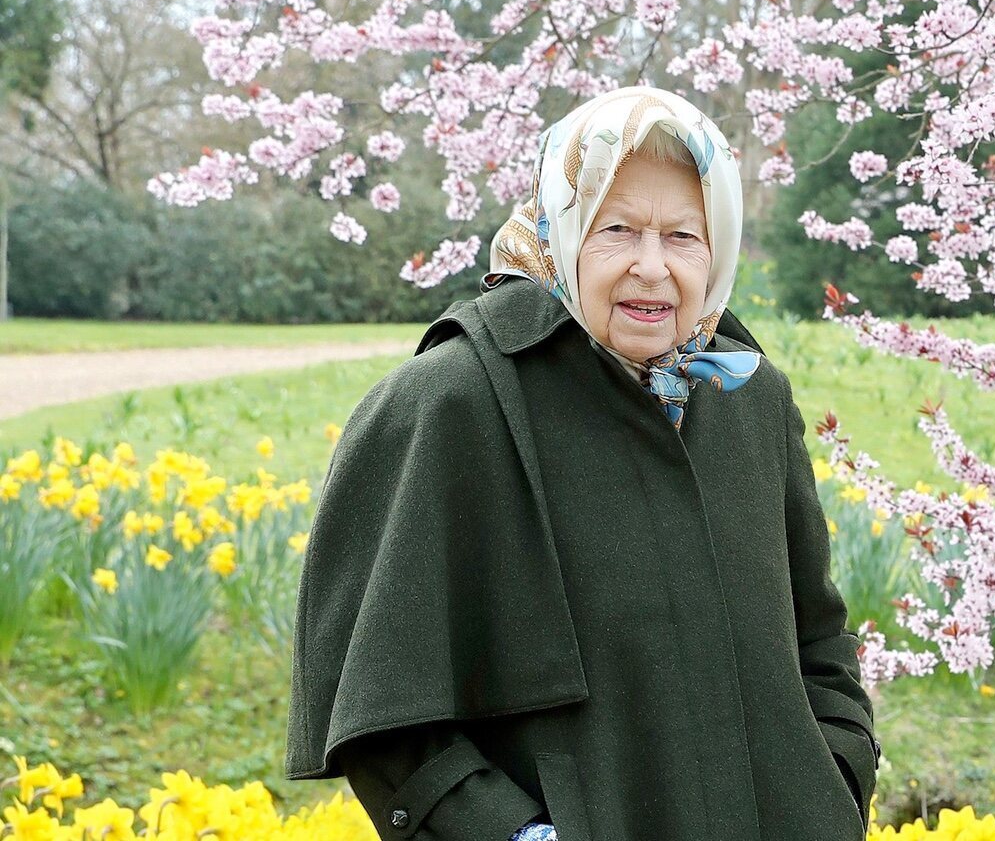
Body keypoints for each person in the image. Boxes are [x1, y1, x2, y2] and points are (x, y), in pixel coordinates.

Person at [287, 87, 877, 841]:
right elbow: (379, 705)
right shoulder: (453, 401)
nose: (652, 267)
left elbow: (819, 638)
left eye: (683, 236)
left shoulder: (747, 395)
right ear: (561, 227)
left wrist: (836, 773)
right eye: (617, 229)